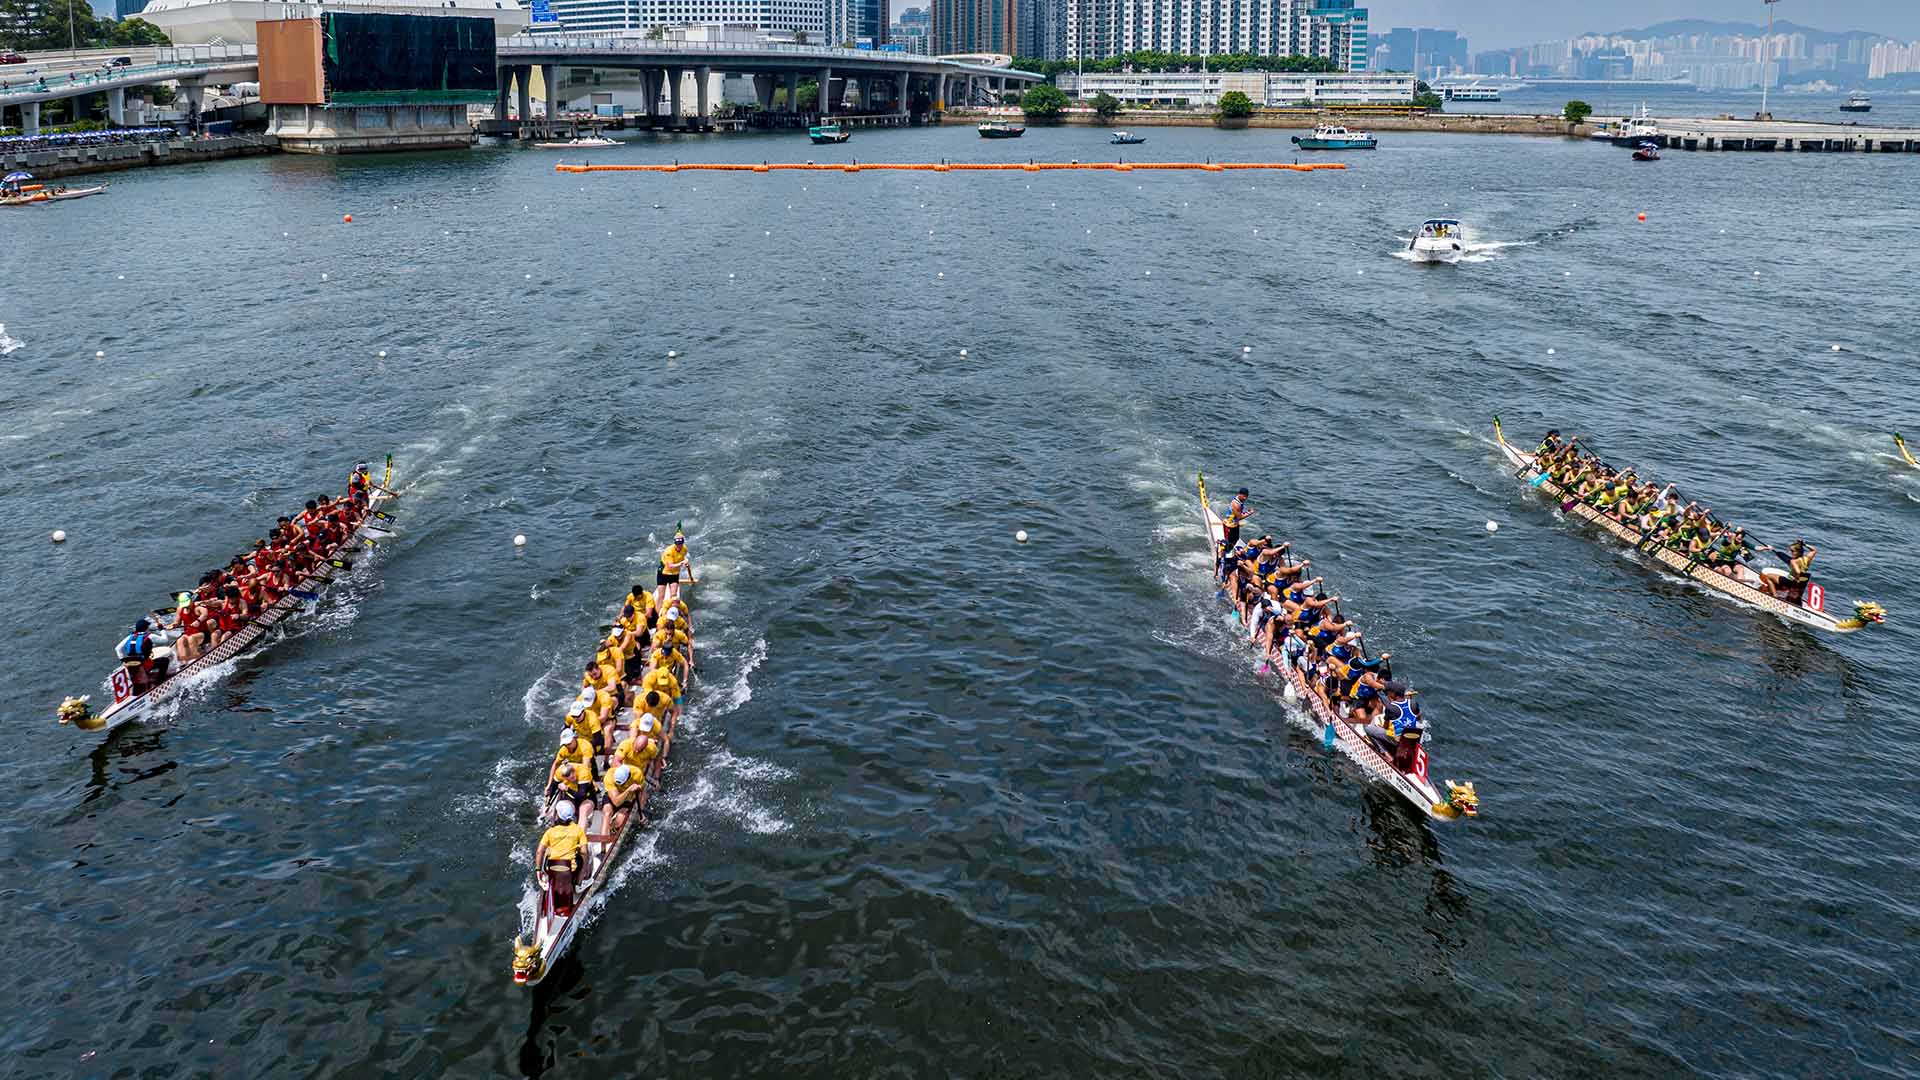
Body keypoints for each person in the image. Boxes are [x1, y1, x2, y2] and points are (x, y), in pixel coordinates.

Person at [534, 802, 590, 915]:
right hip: (570, 871)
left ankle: (545, 880)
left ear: (558, 815)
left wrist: (538, 870)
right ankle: (579, 883)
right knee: (585, 856)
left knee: (548, 852)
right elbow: (584, 852)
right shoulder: (578, 830)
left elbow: (539, 851)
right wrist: (584, 864)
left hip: (552, 870)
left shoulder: (550, 832)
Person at [116, 618, 168, 692]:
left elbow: (118, 649)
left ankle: (144, 678)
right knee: (165, 661)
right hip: (145, 664)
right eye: (148, 627)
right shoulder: (150, 636)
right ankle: (160, 682)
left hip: (131, 665)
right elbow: (165, 640)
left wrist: (123, 661)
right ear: (146, 628)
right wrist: (162, 630)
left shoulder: (129, 637)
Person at [655, 532, 691, 611]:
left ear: (683, 543)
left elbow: (682, 557)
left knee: (674, 595)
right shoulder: (669, 551)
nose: (679, 546)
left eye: (680, 544)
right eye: (677, 544)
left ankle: (672, 612)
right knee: (661, 596)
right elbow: (670, 566)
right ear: (675, 543)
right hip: (663, 573)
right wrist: (682, 563)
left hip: (674, 574)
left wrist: (686, 563)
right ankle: (657, 613)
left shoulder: (684, 549)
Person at [603, 764, 643, 832]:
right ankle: (604, 837)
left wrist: (640, 812)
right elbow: (616, 803)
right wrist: (628, 790)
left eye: (622, 784)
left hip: (627, 800)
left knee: (620, 819)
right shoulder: (609, 775)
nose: (620, 786)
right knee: (607, 813)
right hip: (613, 796)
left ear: (629, 776)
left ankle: (612, 828)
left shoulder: (637, 774)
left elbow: (642, 793)